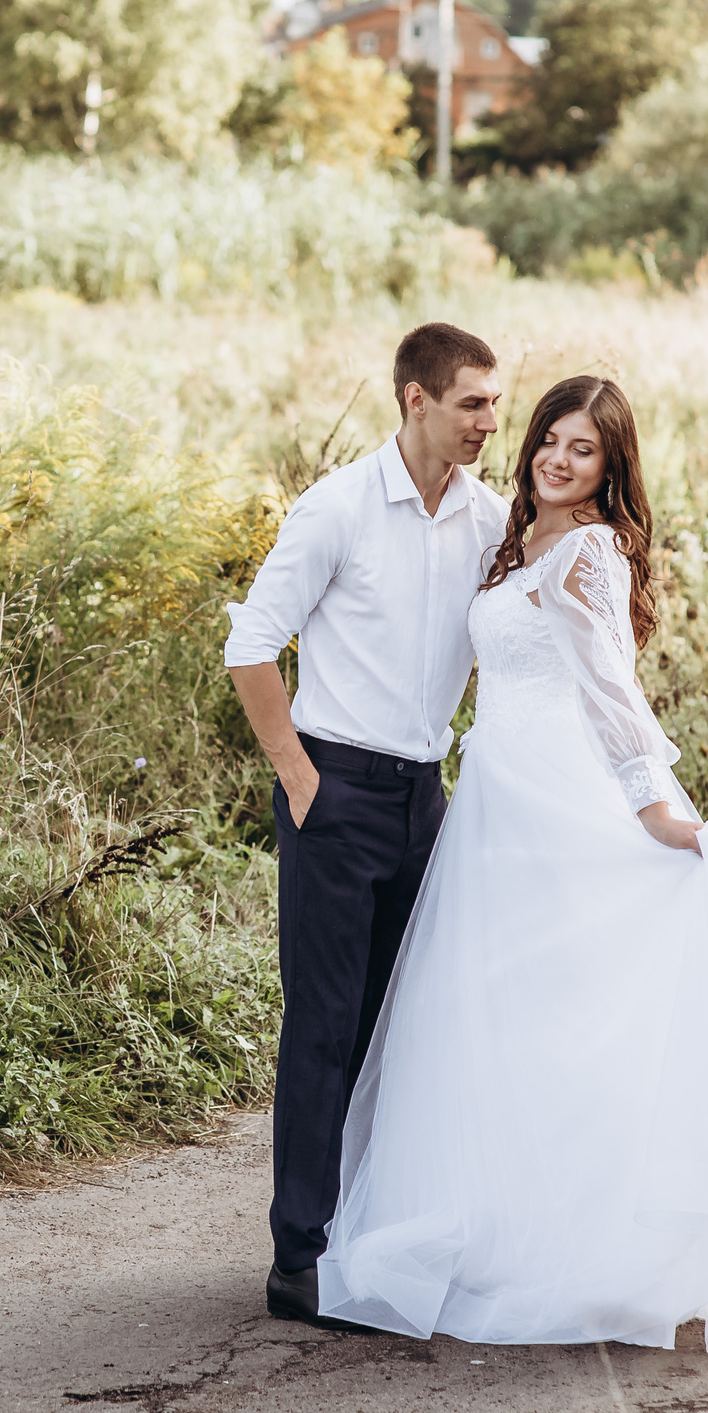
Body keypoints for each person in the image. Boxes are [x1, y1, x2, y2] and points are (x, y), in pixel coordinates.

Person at [309, 375, 708, 1350]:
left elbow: (611, 684)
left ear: (610, 471)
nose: (558, 460)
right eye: (550, 442)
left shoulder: (588, 550)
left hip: (567, 793)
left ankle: (620, 1250)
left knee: (587, 1012)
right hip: (498, 803)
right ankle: (503, 1229)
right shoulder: (511, 539)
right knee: (500, 1017)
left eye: (584, 451)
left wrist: (653, 802)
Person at [224, 322, 509, 1328]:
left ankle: (374, 1235)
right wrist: (300, 781)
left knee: (402, 1030)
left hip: (424, 800)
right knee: (324, 1025)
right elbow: (251, 646)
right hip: (333, 790)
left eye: (493, 402)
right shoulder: (338, 506)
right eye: (472, 401)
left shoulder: (489, 521)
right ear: (416, 400)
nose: (489, 420)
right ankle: (299, 1254)